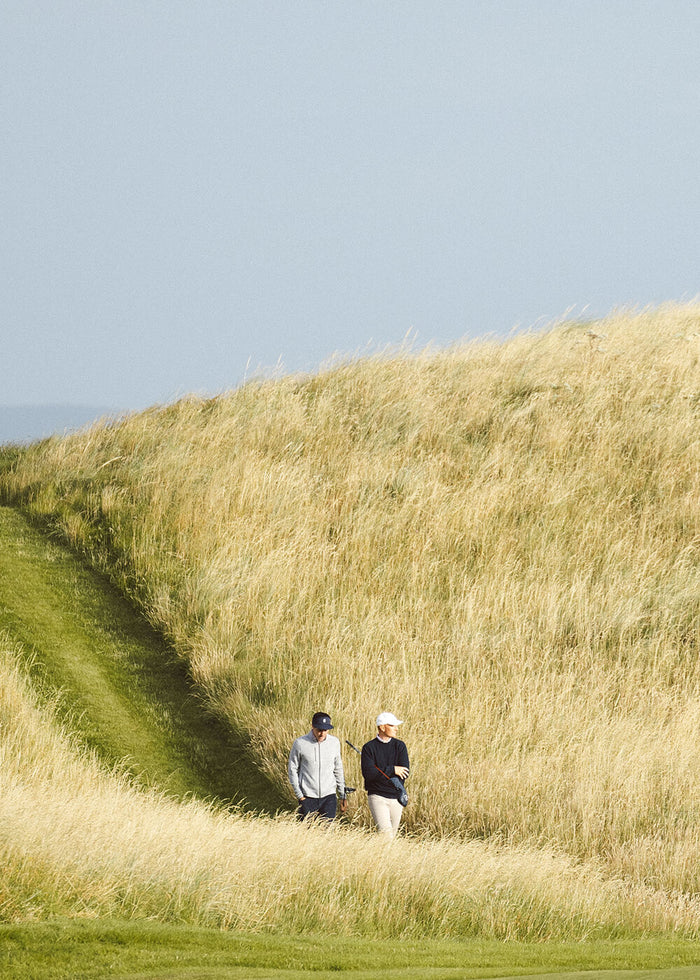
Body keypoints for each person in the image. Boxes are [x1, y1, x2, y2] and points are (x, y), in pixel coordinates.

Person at [288, 711, 347, 821]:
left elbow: (338, 768)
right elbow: (292, 769)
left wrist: (342, 795)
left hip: (329, 796)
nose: (322, 733)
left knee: (327, 833)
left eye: (325, 730)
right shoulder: (300, 743)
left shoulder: (334, 743)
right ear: (312, 726)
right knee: (307, 834)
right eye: (319, 730)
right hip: (308, 797)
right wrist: (300, 796)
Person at [361, 711, 409, 839]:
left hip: (396, 796)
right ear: (382, 727)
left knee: (392, 837)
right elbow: (369, 774)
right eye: (392, 725)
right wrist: (392, 770)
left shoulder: (400, 746)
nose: (396, 729)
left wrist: (382, 773)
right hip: (377, 797)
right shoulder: (369, 748)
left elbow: (404, 772)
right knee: (386, 836)